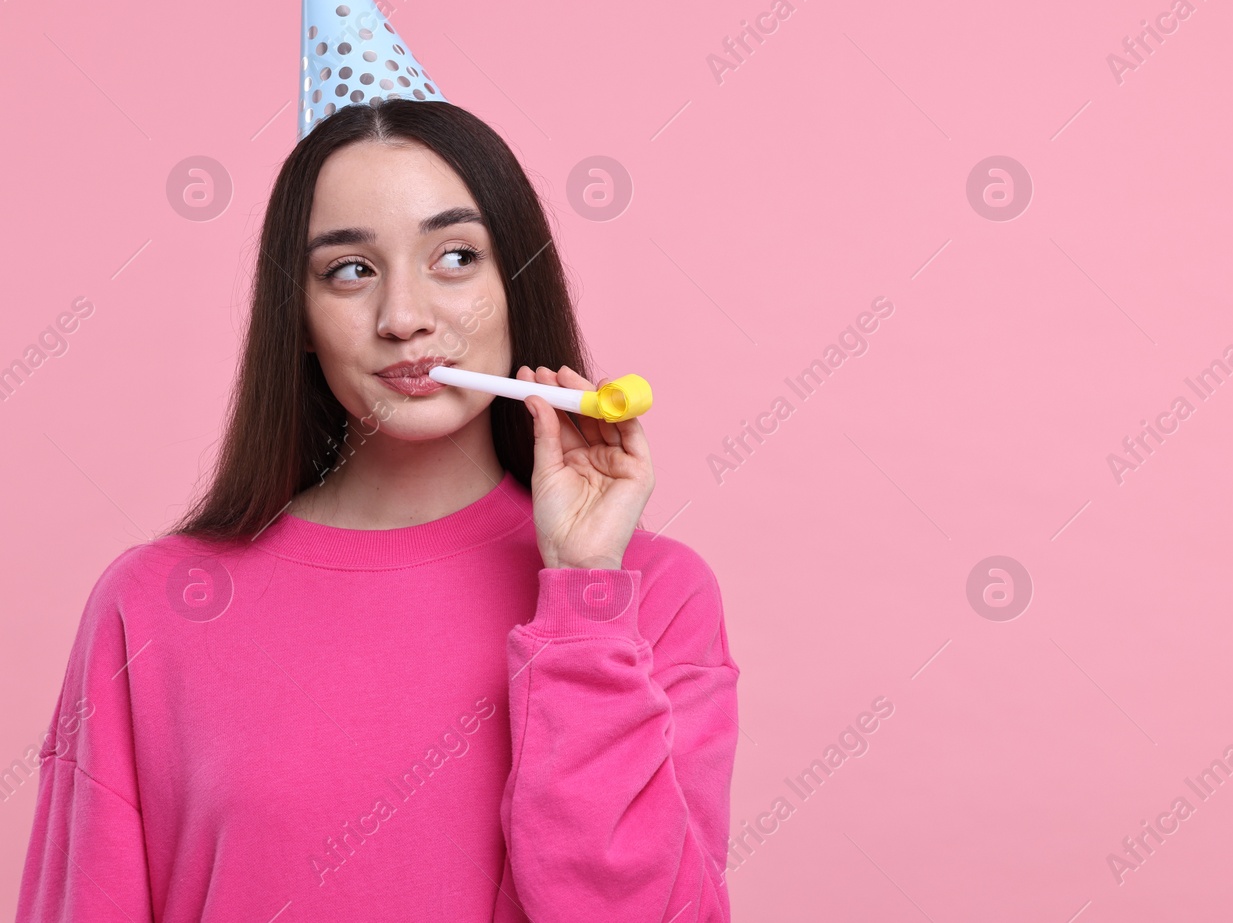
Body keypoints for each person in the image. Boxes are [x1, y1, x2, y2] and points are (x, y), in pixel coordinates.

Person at [13, 98, 739, 921]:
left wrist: (582, 593)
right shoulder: (150, 606)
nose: (404, 318)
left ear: (516, 282)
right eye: (351, 270)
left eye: (456, 256)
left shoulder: (653, 593)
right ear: (302, 319)